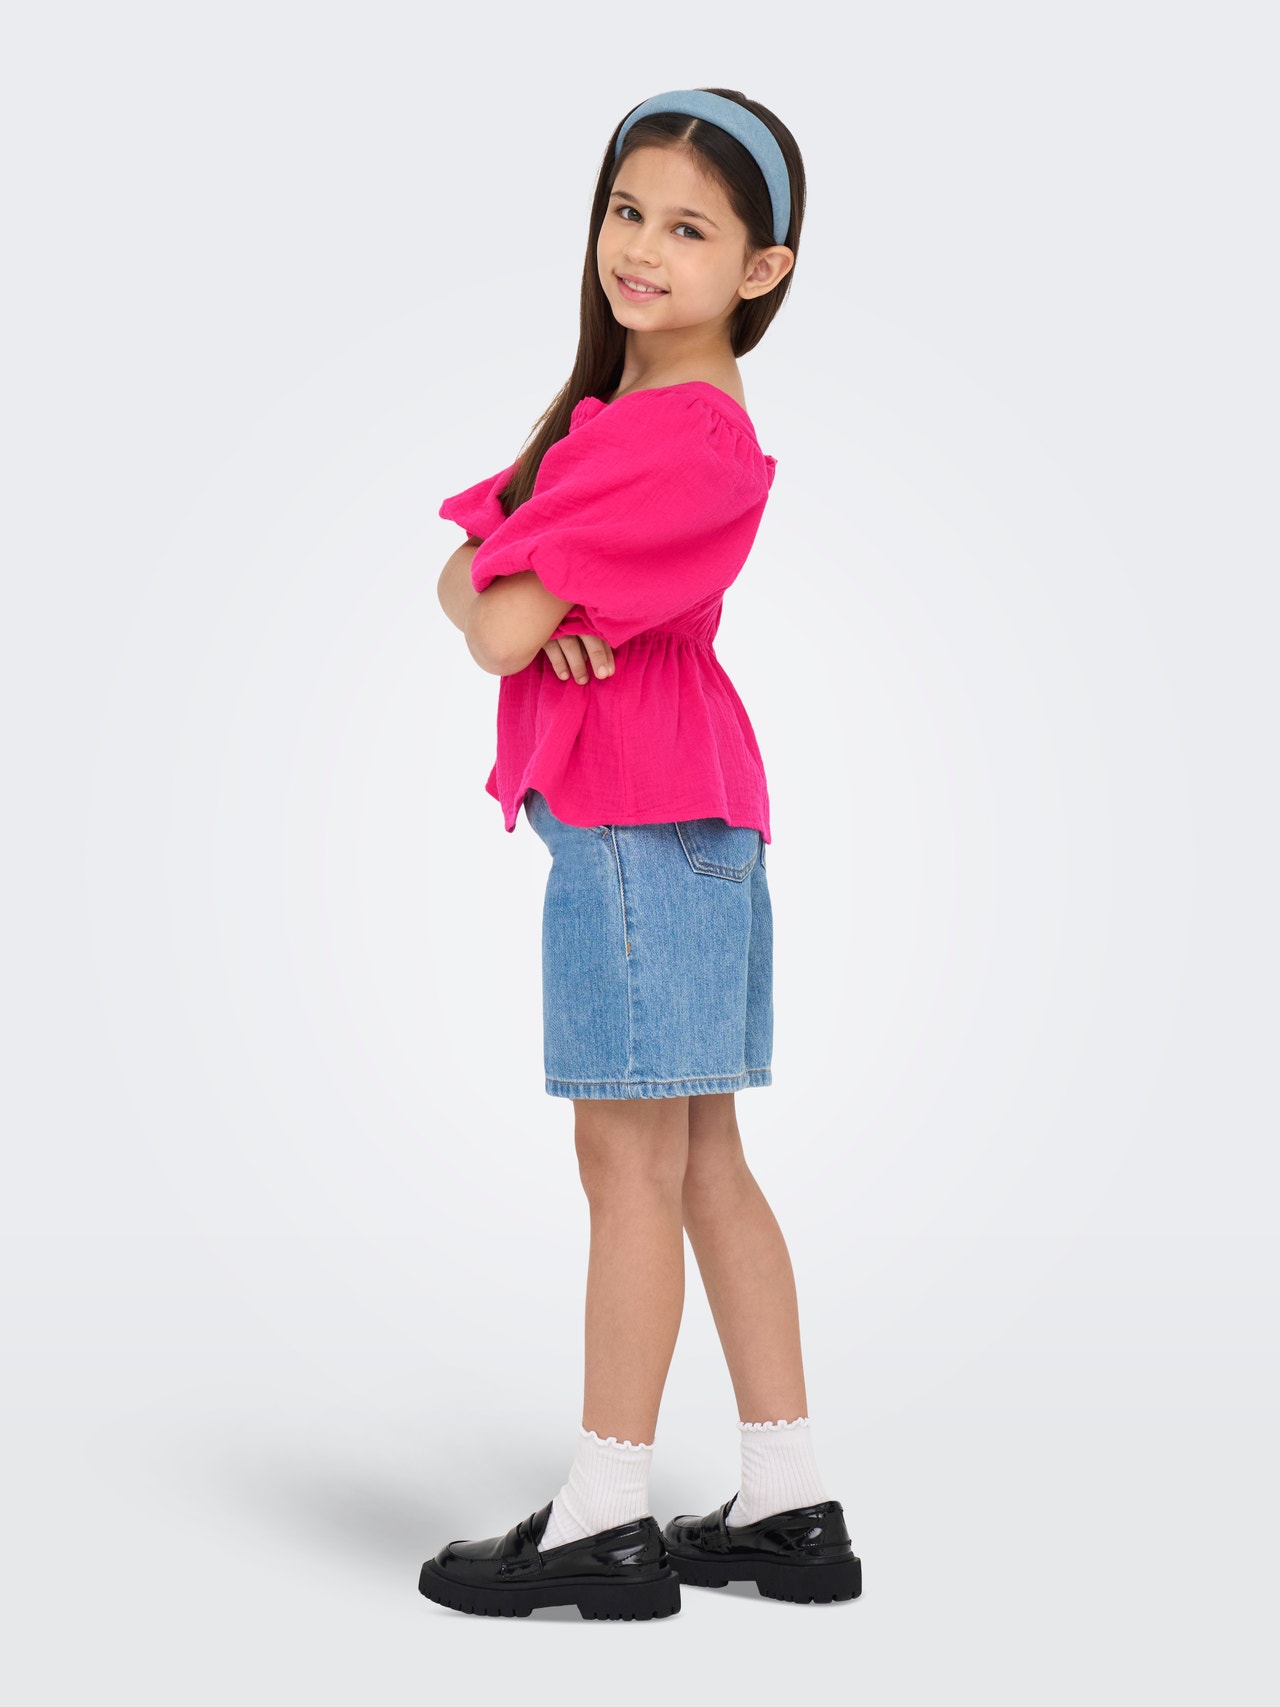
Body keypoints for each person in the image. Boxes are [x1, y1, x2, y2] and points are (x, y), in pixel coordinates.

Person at [419, 87, 862, 1623]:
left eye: (690, 229)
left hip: (636, 828)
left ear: (763, 269)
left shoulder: (672, 437)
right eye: (627, 211)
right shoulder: (622, 421)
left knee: (627, 1163)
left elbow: (489, 622)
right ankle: (789, 1501)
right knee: (701, 1160)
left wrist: (514, 592)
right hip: (690, 818)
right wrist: (511, 587)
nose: (643, 249)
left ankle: (606, 1515)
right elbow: (470, 572)